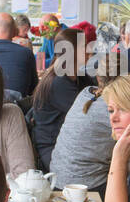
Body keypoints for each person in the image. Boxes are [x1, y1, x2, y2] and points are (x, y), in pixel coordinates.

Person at [30, 28, 88, 170]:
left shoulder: (78, 76)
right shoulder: (59, 81)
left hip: (67, 142)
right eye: (84, 47)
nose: (89, 51)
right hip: (51, 148)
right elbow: (87, 113)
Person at [49, 73, 116, 196]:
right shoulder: (113, 107)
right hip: (85, 188)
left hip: (55, 180)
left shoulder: (86, 93)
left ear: (98, 77)